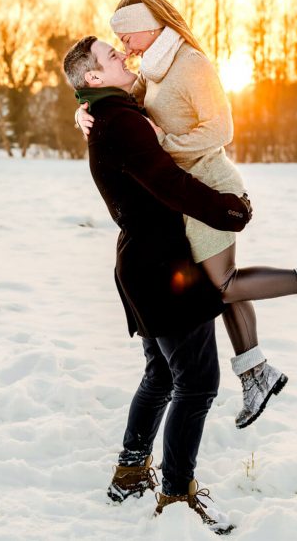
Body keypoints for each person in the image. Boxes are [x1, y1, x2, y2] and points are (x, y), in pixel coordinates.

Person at [75, 0, 297, 429]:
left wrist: (165, 147)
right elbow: (111, 94)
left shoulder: (190, 64)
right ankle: (255, 373)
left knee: (223, 286)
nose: (124, 47)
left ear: (146, 29)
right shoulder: (153, 69)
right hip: (186, 191)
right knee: (216, 289)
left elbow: (221, 129)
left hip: (209, 186)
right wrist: (81, 107)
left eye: (127, 38)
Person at [65, 35, 246, 532]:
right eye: (110, 56)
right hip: (163, 269)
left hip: (143, 264)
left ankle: (129, 472)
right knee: (197, 383)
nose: (122, 54)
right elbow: (166, 179)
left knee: (163, 377)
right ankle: (177, 495)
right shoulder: (118, 120)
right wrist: (226, 210)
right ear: (94, 78)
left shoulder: (111, 112)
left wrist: (83, 106)